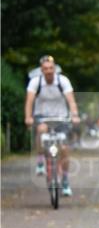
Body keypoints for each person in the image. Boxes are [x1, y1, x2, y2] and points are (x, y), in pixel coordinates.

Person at [24, 55, 80, 195]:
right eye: (45, 69)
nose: (48, 71)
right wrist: (28, 117)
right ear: (41, 70)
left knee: (64, 149)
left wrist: (74, 115)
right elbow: (29, 101)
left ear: (54, 68)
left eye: (50, 68)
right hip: (42, 116)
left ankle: (65, 180)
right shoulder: (35, 82)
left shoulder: (63, 81)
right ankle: (40, 161)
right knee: (41, 129)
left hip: (61, 117)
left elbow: (71, 101)